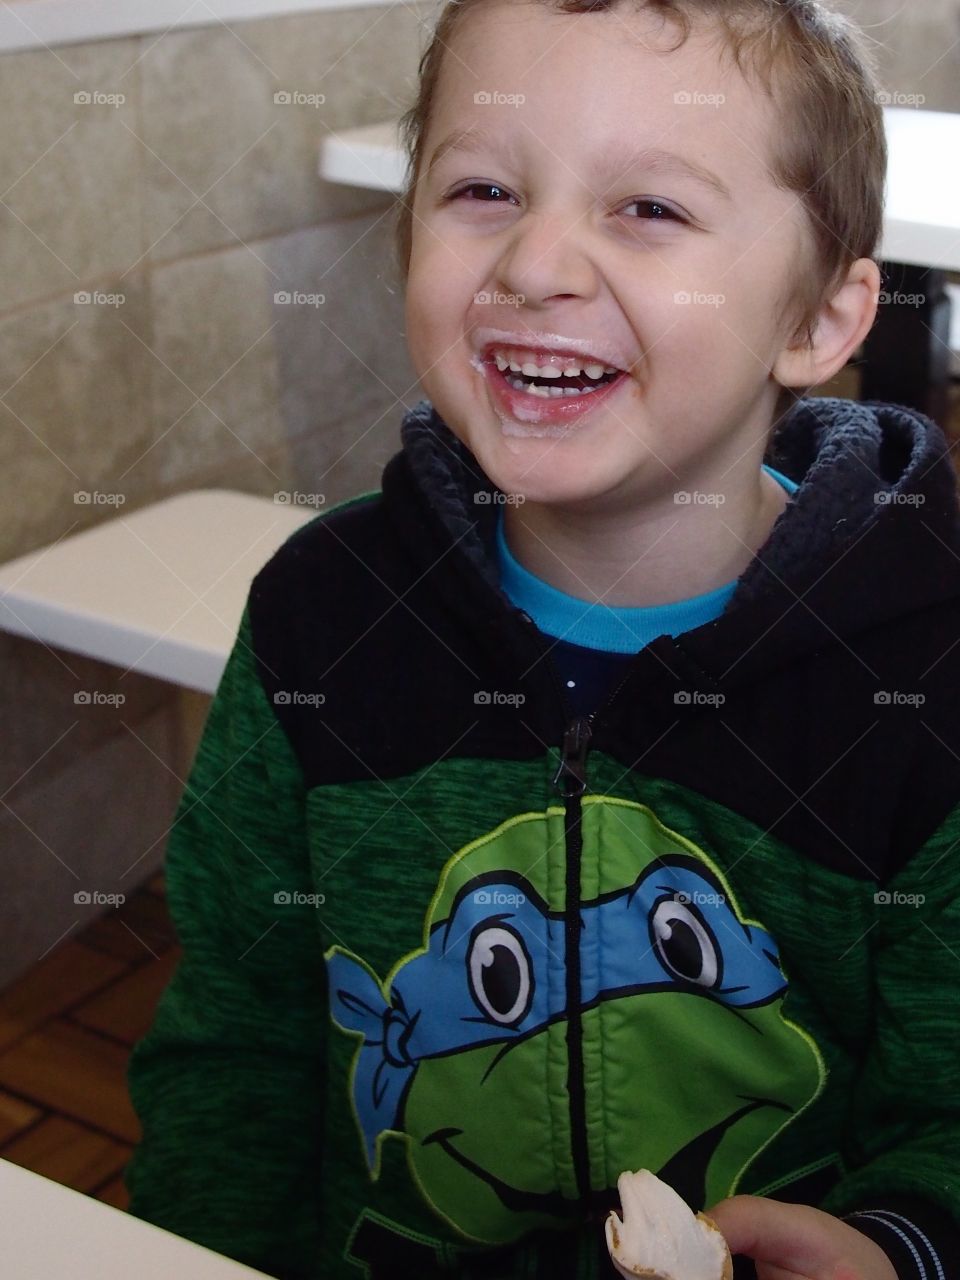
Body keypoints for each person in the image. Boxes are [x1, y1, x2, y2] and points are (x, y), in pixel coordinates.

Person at [124, 2, 960, 1278]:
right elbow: (237, 1037)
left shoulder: (927, 672)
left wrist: (898, 1248)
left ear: (820, 322)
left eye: (649, 208)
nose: (535, 262)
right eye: (483, 187)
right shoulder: (321, 614)